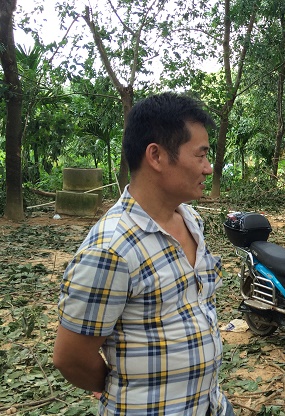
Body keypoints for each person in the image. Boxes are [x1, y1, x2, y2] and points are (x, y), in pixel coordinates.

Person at [53, 92, 235, 416]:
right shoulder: (111, 251)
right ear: (156, 156)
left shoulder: (191, 220)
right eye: (201, 155)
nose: (208, 168)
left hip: (210, 405)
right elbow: (71, 357)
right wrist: (123, 386)